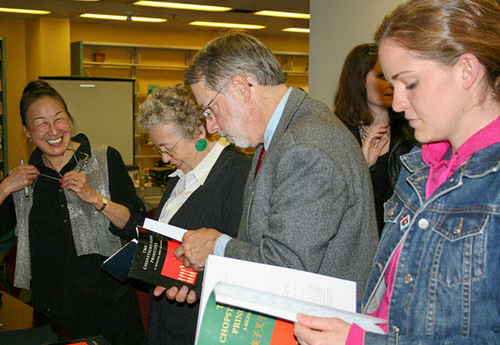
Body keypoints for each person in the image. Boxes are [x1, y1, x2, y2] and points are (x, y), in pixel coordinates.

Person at [294, 0, 500, 344]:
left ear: (467, 71)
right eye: (392, 86)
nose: (398, 103)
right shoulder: (417, 169)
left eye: (410, 83)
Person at [164, 31, 379, 302]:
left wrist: (215, 246)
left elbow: (285, 270)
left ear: (241, 88)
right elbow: (261, 244)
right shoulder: (281, 136)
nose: (211, 127)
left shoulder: (306, 147)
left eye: (210, 110)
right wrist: (206, 274)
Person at [0, 80, 145, 344]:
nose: (53, 130)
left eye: (59, 118)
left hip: (110, 309)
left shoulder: (103, 158)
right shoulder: (23, 179)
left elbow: (136, 224)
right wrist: (5, 188)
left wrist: (95, 198)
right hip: (53, 315)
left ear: (70, 119)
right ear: (27, 132)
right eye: (41, 122)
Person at [135, 84, 252, 345]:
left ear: (199, 132)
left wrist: (197, 282)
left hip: (201, 327)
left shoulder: (238, 174)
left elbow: (245, 257)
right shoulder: (184, 172)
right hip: (167, 319)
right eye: (158, 150)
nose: (164, 159)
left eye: (168, 148)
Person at [334, 43, 417, 235]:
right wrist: (361, 166)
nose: (391, 84)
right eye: (382, 76)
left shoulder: (413, 132)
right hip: (358, 245)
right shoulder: (337, 134)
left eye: (394, 76)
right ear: (358, 81)